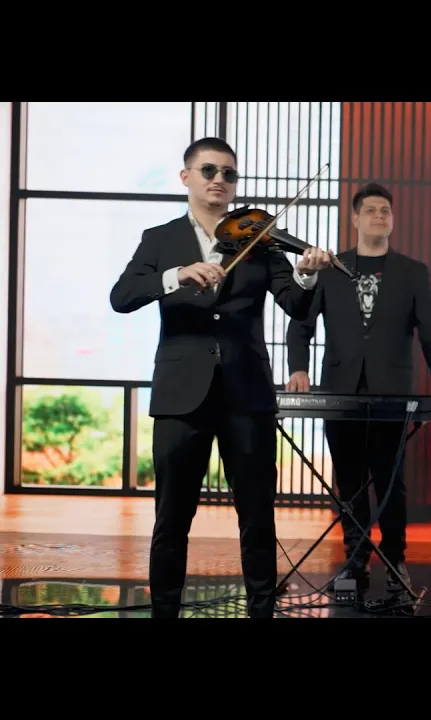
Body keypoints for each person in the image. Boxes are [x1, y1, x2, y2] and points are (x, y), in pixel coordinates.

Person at [109, 137, 334, 618]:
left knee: (257, 517)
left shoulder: (261, 240)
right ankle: (165, 611)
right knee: (172, 519)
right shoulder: (159, 239)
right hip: (180, 395)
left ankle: (261, 610)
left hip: (246, 393)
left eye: (229, 173)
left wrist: (308, 275)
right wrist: (176, 275)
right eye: (209, 170)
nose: (219, 180)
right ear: (186, 177)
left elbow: (296, 305)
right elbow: (121, 297)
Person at [285, 182, 431, 598]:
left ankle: (396, 558)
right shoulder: (331, 268)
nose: (379, 216)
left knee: (391, 483)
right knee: (349, 482)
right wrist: (298, 368)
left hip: (392, 393)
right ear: (355, 218)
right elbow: (301, 324)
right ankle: (355, 559)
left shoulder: (412, 272)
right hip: (341, 391)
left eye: (385, 210)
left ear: (392, 219)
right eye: (370, 210)